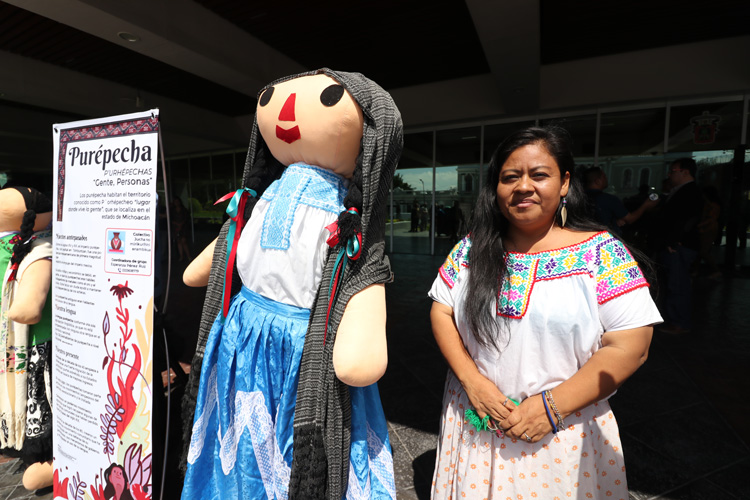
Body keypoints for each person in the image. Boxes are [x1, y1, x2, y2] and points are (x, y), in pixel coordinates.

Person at [180, 69, 401, 499]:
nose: (285, 112)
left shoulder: (348, 219)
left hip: (303, 348)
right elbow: (230, 243)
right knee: (235, 445)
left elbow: (362, 269)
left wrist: (363, 328)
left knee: (288, 457)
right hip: (243, 342)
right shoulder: (258, 199)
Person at [428, 126, 662, 499]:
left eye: (539, 175)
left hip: (561, 434)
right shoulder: (472, 248)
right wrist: (473, 382)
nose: (523, 186)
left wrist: (550, 409)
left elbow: (632, 345)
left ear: (565, 182)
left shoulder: (602, 254)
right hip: (475, 422)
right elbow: (442, 311)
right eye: (510, 177)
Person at [651, 157, 704, 334]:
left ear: (685, 172)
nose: (670, 174)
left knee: (678, 284)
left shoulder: (691, 191)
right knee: (673, 283)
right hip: (673, 245)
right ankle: (675, 319)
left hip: (677, 246)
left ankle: (679, 322)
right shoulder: (680, 191)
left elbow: (688, 218)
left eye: (673, 171)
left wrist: (675, 240)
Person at [583, 166, 657, 236]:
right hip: (604, 240)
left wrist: (614, 221)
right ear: (598, 181)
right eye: (604, 177)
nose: (606, 179)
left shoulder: (579, 198)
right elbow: (630, 219)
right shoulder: (609, 199)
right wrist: (645, 205)